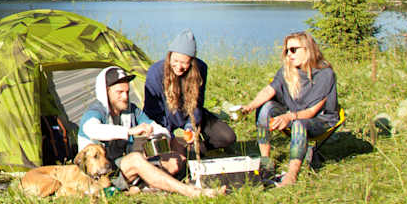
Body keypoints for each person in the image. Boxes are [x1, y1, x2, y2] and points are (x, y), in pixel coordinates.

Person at [78, 66, 223, 198]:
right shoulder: (96, 111)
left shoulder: (131, 110)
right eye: (119, 92)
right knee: (136, 159)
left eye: (127, 91)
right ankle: (191, 191)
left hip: (120, 167)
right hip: (97, 176)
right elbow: (91, 129)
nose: (125, 97)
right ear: (106, 92)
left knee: (175, 154)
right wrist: (129, 131)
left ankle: (149, 185)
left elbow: (157, 127)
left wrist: (160, 135)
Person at [237, 31, 339, 187]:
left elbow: (312, 111)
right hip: (293, 114)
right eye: (286, 51)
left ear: (307, 49)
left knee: (300, 124)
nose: (289, 54)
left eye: (293, 49)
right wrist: (249, 107)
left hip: (320, 120)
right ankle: (265, 161)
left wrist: (289, 117)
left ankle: (292, 174)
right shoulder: (288, 70)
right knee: (266, 108)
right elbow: (269, 90)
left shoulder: (325, 74)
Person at [144, 30, 236, 156]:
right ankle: (178, 150)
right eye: (175, 60)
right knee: (163, 150)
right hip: (164, 116)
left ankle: (194, 150)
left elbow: (197, 104)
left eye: (184, 62)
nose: (179, 66)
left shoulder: (201, 68)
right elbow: (152, 110)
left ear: (192, 62)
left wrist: (191, 127)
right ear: (169, 56)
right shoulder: (155, 72)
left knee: (228, 137)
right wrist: (167, 134)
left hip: (189, 112)